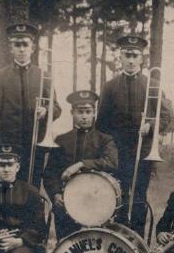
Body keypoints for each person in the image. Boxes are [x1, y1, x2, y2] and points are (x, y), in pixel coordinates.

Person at [96, 35, 174, 235]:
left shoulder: (153, 85)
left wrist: (150, 125)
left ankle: (137, 238)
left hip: (144, 151)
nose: (130, 60)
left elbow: (167, 117)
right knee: (118, 194)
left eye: (135, 56)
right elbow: (102, 123)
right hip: (117, 152)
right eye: (126, 55)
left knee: (139, 195)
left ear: (142, 59)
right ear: (120, 57)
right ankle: (118, 234)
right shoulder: (110, 86)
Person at [0, 23, 61, 183]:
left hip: (35, 145)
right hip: (8, 147)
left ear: (32, 48)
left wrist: (46, 110)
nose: (21, 49)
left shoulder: (43, 75)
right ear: (10, 48)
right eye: (17, 44)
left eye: (25, 44)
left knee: (32, 187)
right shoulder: (0, 77)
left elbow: (57, 108)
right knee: (8, 188)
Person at [43, 90, 119, 238]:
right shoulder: (61, 141)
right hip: (67, 203)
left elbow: (112, 163)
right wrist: (56, 193)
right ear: (72, 113)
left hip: (97, 200)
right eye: (80, 112)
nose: (84, 116)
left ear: (94, 113)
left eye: (88, 111)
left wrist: (81, 164)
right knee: (67, 243)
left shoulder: (105, 139)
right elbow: (49, 174)